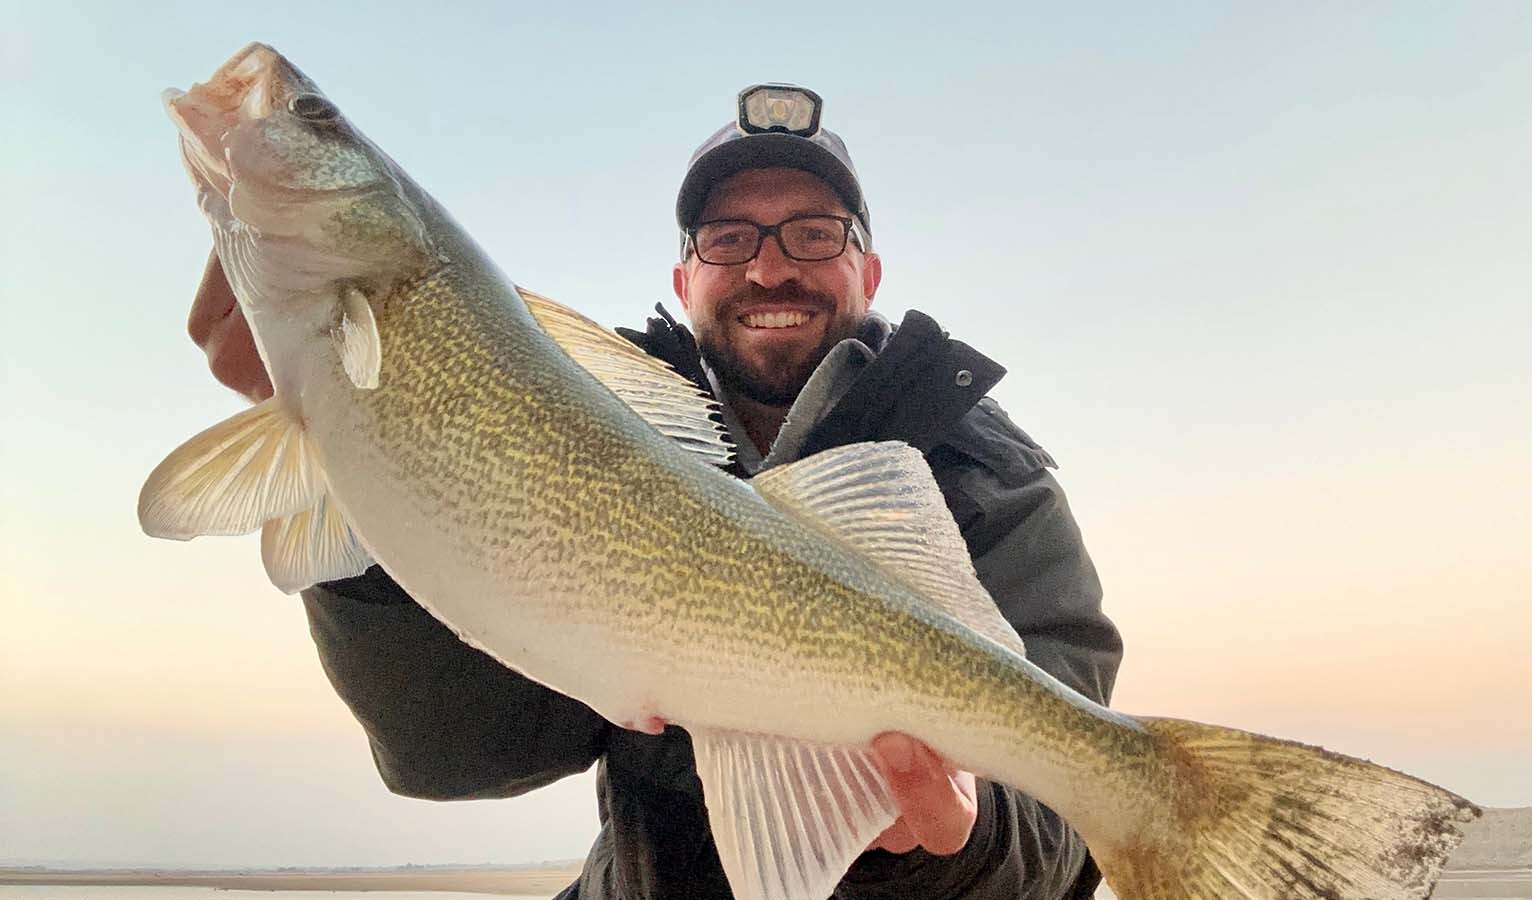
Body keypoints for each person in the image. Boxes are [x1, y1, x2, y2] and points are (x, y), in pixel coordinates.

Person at [186, 83, 1122, 900]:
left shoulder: (996, 483)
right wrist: (360, 463)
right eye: (728, 239)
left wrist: (957, 848)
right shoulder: (581, 432)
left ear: (868, 273)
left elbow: (1059, 832)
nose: (769, 266)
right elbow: (459, 750)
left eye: (814, 233)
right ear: (685, 278)